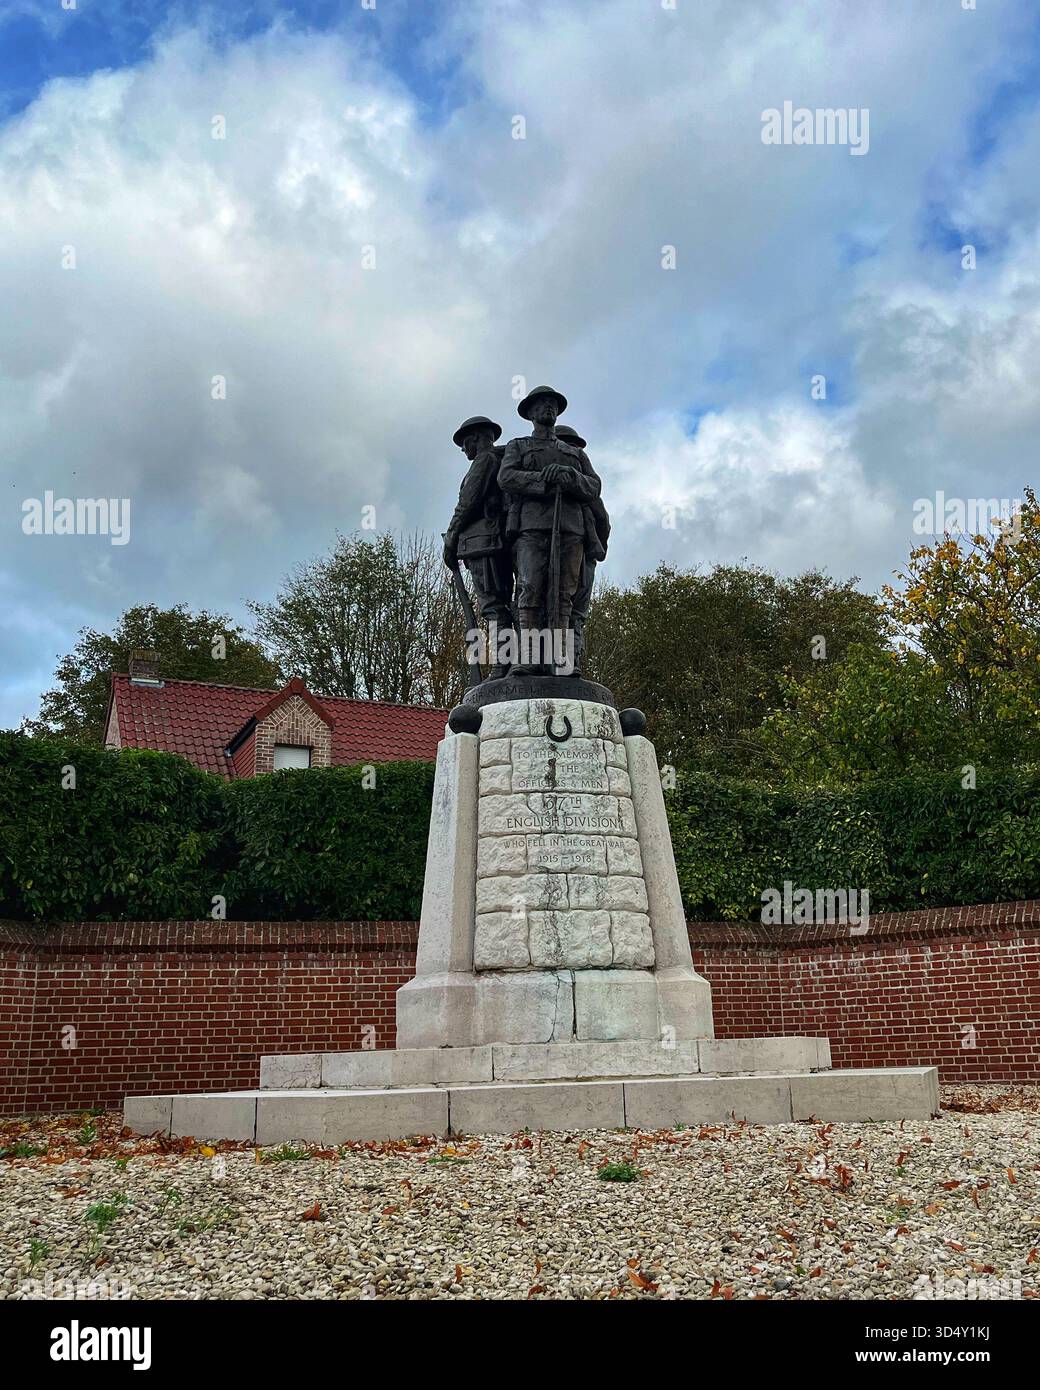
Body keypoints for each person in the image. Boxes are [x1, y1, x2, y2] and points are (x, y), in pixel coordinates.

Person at [498, 386, 602, 675]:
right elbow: (506, 477)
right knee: (530, 589)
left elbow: (594, 486)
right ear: (530, 413)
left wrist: (570, 478)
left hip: (570, 529)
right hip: (532, 527)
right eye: (542, 404)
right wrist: (541, 480)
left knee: (563, 593)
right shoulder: (518, 446)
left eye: (552, 404)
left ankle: (560, 659)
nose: (548, 408)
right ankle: (528, 657)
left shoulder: (574, 454)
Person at [443, 415, 515, 679]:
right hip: (490, 542)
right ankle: (508, 661)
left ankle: (503, 662)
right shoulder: (498, 460)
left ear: (475, 438)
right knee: (499, 604)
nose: (464, 450)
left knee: (493, 606)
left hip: (484, 544)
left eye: (464, 443)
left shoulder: (484, 461)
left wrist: (451, 537)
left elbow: (468, 503)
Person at [555, 425, 609, 676]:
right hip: (584, 555)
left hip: (582, 554)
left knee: (571, 611)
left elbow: (603, 521)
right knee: (573, 612)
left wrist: (595, 549)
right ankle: (567, 663)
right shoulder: (584, 494)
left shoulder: (584, 494)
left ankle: (567, 662)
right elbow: (604, 522)